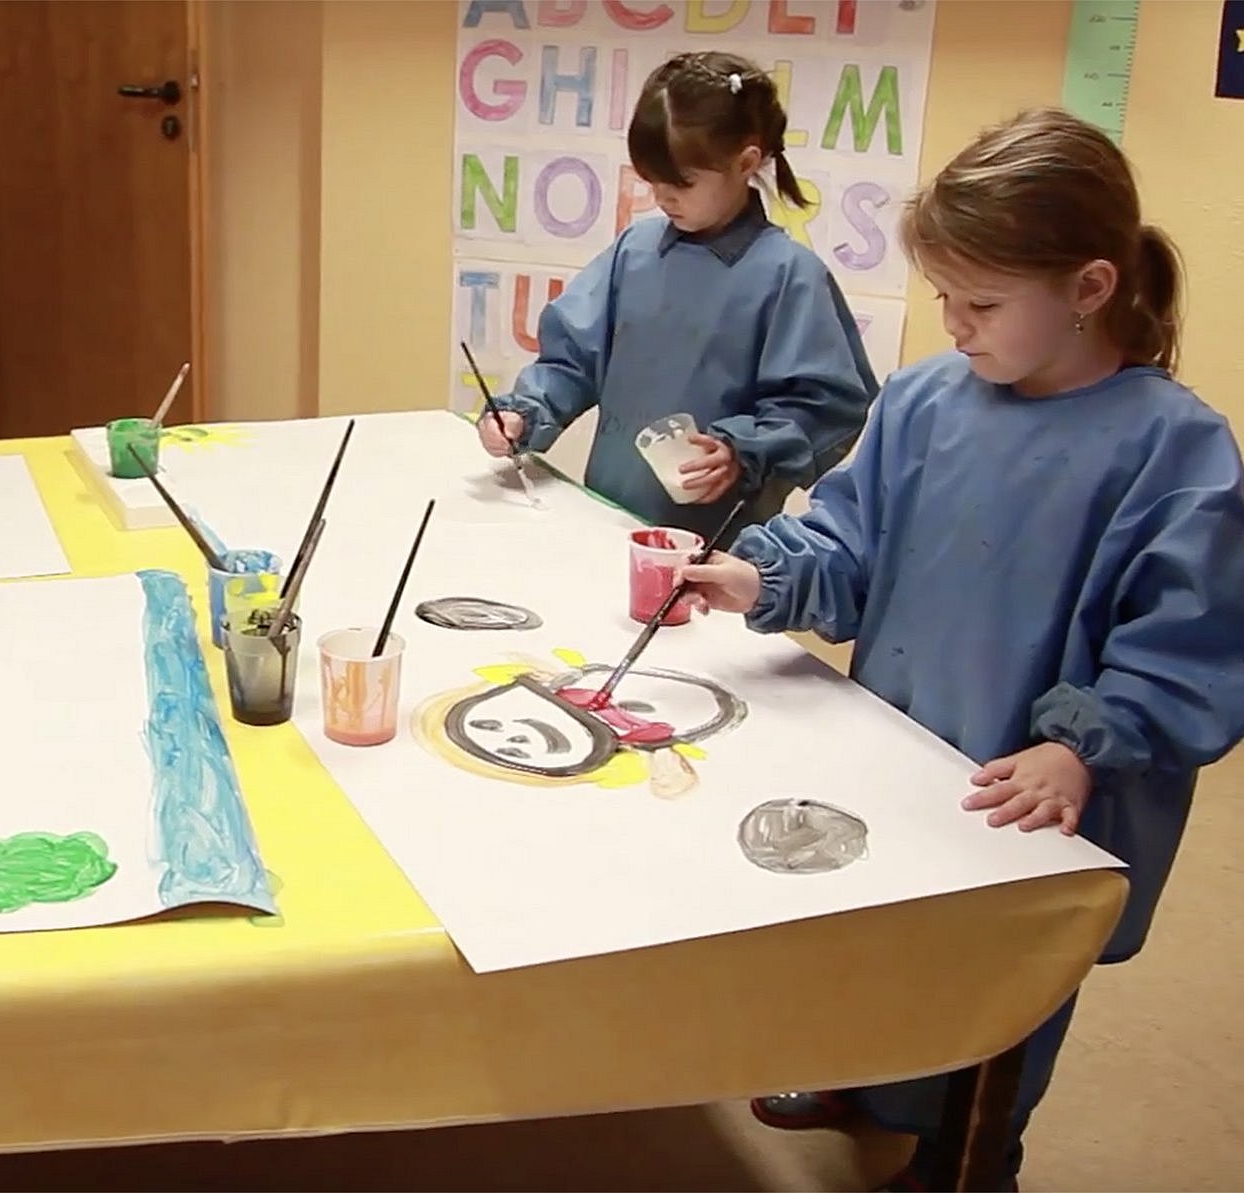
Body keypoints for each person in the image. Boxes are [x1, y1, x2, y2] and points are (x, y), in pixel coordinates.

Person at [681, 108, 1244, 1191]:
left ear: (1087, 289)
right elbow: (848, 534)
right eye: (942, 296)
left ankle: (972, 1147)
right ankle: (861, 1072)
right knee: (869, 930)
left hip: (1028, 784)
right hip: (901, 740)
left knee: (995, 979)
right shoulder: (929, 398)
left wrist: (1082, 746)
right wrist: (766, 574)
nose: (953, 325)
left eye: (979, 303)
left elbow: (1184, 647)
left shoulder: (1173, 447)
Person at [479, 50, 879, 542]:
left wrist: (741, 451)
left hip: (718, 549)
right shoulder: (636, 251)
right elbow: (572, 361)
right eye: (652, 183)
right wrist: (524, 412)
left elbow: (824, 405)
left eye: (681, 184)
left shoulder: (788, 274)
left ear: (745, 162)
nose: (664, 199)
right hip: (608, 522)